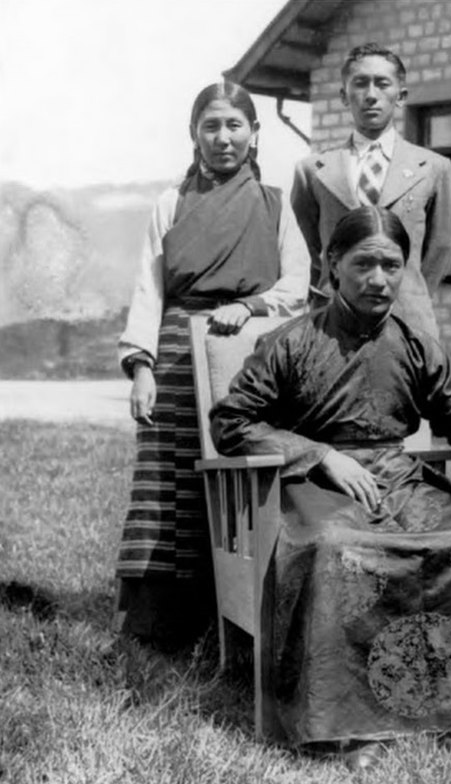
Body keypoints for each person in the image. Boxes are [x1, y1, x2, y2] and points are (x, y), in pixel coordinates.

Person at [210, 206, 451, 769]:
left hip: (402, 480)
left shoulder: (415, 344)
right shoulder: (289, 342)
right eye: (364, 264)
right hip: (316, 485)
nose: (379, 279)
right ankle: (349, 728)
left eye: (392, 266)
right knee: (337, 551)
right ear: (332, 265)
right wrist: (319, 454)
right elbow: (232, 423)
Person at [115, 81, 310, 652]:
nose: (223, 138)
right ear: (193, 134)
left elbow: (296, 285)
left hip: (248, 351)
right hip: (177, 349)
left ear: (254, 134)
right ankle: (158, 626)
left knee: (240, 478)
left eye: (234, 126)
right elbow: (148, 290)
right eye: (211, 126)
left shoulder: (276, 203)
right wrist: (142, 367)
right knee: (167, 482)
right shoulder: (169, 203)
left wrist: (249, 306)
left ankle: (243, 622)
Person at [291, 42, 451, 338]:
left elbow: (441, 246)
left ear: (400, 96)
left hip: (407, 322)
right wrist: (332, 288)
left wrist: (408, 291)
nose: (370, 95)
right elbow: (306, 250)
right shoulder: (313, 170)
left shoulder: (432, 168)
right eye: (360, 84)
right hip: (333, 321)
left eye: (382, 84)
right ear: (344, 95)